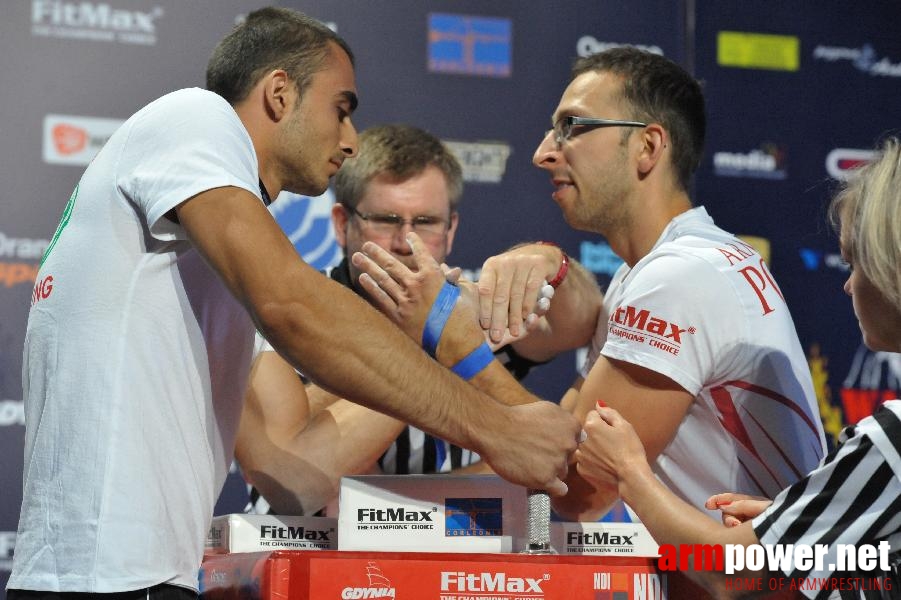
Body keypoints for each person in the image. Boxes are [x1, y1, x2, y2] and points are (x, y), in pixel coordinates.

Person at [7, 8, 581, 599]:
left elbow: (298, 475)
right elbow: (294, 306)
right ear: (279, 93)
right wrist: (494, 425)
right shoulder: (196, 118)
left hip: (136, 573)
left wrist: (444, 328)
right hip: (107, 578)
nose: (351, 140)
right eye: (342, 109)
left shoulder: (210, 256)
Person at [351, 46, 826, 522]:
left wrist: (454, 340)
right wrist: (378, 507)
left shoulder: (678, 278)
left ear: (648, 147)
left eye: (571, 127)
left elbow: (576, 493)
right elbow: (562, 443)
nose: (542, 153)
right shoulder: (650, 271)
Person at [574, 137, 901, 599]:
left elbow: (731, 573)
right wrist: (792, 524)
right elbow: (876, 566)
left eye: (855, 263)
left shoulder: (893, 441)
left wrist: (631, 474)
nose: (849, 285)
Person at [237, 124, 604, 516]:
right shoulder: (291, 307)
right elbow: (295, 467)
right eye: (386, 219)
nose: (405, 242)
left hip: (452, 562)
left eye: (426, 222)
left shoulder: (471, 299)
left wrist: (549, 260)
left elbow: (580, 322)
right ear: (343, 224)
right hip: (305, 554)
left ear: (451, 230)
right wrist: (432, 336)